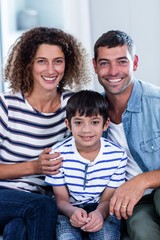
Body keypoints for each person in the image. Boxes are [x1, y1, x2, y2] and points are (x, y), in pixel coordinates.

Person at [0, 27, 91, 240]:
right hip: (5, 197)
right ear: (28, 64)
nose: (51, 70)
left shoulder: (73, 105)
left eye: (58, 61)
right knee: (42, 206)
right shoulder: (7, 105)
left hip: (32, 204)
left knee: (18, 228)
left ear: (67, 64)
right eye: (42, 61)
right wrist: (34, 167)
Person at [92, 30, 160, 240]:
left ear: (135, 63)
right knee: (142, 230)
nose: (113, 71)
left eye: (122, 61)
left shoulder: (156, 103)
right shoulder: (91, 115)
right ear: (95, 66)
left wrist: (143, 180)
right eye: (104, 63)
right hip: (135, 204)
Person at [45, 90, 127, 240]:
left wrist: (99, 213)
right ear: (68, 125)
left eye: (94, 122)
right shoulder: (56, 154)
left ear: (105, 124)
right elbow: (61, 199)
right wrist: (71, 212)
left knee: (107, 236)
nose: (86, 130)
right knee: (65, 236)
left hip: (102, 210)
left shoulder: (117, 156)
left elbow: (108, 199)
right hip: (68, 211)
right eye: (78, 122)